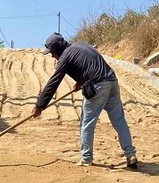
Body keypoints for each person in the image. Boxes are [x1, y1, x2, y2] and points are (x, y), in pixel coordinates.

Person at [32, 32, 138, 168]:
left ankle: (86, 159)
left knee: (87, 123)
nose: (53, 56)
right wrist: (81, 81)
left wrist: (40, 105)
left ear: (57, 49)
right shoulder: (81, 45)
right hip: (112, 82)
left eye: (52, 53)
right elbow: (90, 65)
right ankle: (131, 154)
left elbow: (54, 82)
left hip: (97, 86)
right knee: (119, 121)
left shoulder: (65, 56)